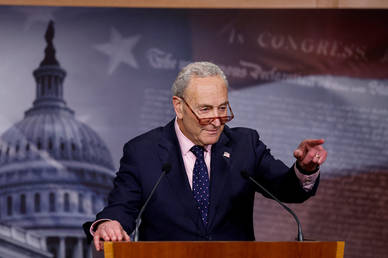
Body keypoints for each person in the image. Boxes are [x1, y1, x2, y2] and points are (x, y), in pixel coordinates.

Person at [86, 61, 326, 251]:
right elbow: (121, 207)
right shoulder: (143, 151)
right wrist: (110, 223)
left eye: (222, 108)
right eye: (205, 109)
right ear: (178, 107)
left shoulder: (245, 145)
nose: (216, 120)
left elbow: (286, 188)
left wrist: (304, 169)